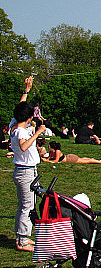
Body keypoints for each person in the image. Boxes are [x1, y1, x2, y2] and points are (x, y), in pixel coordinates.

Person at [11, 100, 46, 252]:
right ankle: (22, 240)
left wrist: (26, 90)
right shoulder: (20, 132)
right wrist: (38, 133)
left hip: (27, 170)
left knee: (26, 205)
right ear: (28, 117)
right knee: (27, 206)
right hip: (25, 171)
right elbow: (24, 146)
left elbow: (20, 107)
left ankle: (23, 237)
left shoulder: (15, 127)